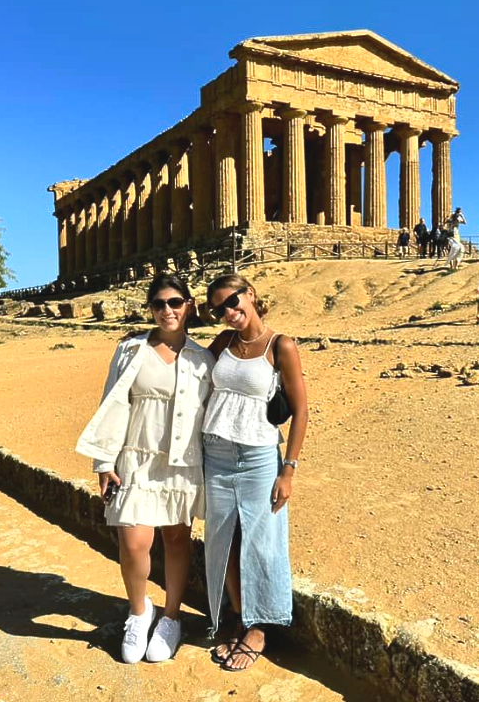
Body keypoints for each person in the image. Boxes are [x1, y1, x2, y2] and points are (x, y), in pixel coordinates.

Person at [76, 273, 214, 664]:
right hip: (135, 459)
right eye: (159, 304)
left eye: (175, 302)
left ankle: (171, 617)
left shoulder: (202, 358)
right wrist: (104, 463)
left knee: (176, 541)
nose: (167, 310)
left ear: (189, 305)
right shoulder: (129, 350)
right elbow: (111, 404)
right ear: (150, 309)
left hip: (181, 464)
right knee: (134, 543)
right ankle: (139, 612)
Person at [202, 274, 308, 672]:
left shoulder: (281, 345)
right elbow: (191, 371)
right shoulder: (223, 343)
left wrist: (289, 469)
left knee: (262, 540)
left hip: (260, 455)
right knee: (224, 538)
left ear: (251, 294)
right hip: (216, 451)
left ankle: (260, 626)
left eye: (232, 301)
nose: (228, 312)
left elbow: (301, 411)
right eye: (218, 309)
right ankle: (238, 616)